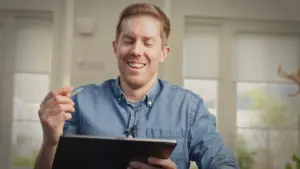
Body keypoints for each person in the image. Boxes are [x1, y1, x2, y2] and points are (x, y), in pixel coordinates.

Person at [33, 2, 239, 169]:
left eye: (148, 42)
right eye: (128, 40)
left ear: (163, 53)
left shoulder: (190, 108)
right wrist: (50, 141)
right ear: (116, 47)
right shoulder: (79, 102)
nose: (136, 51)